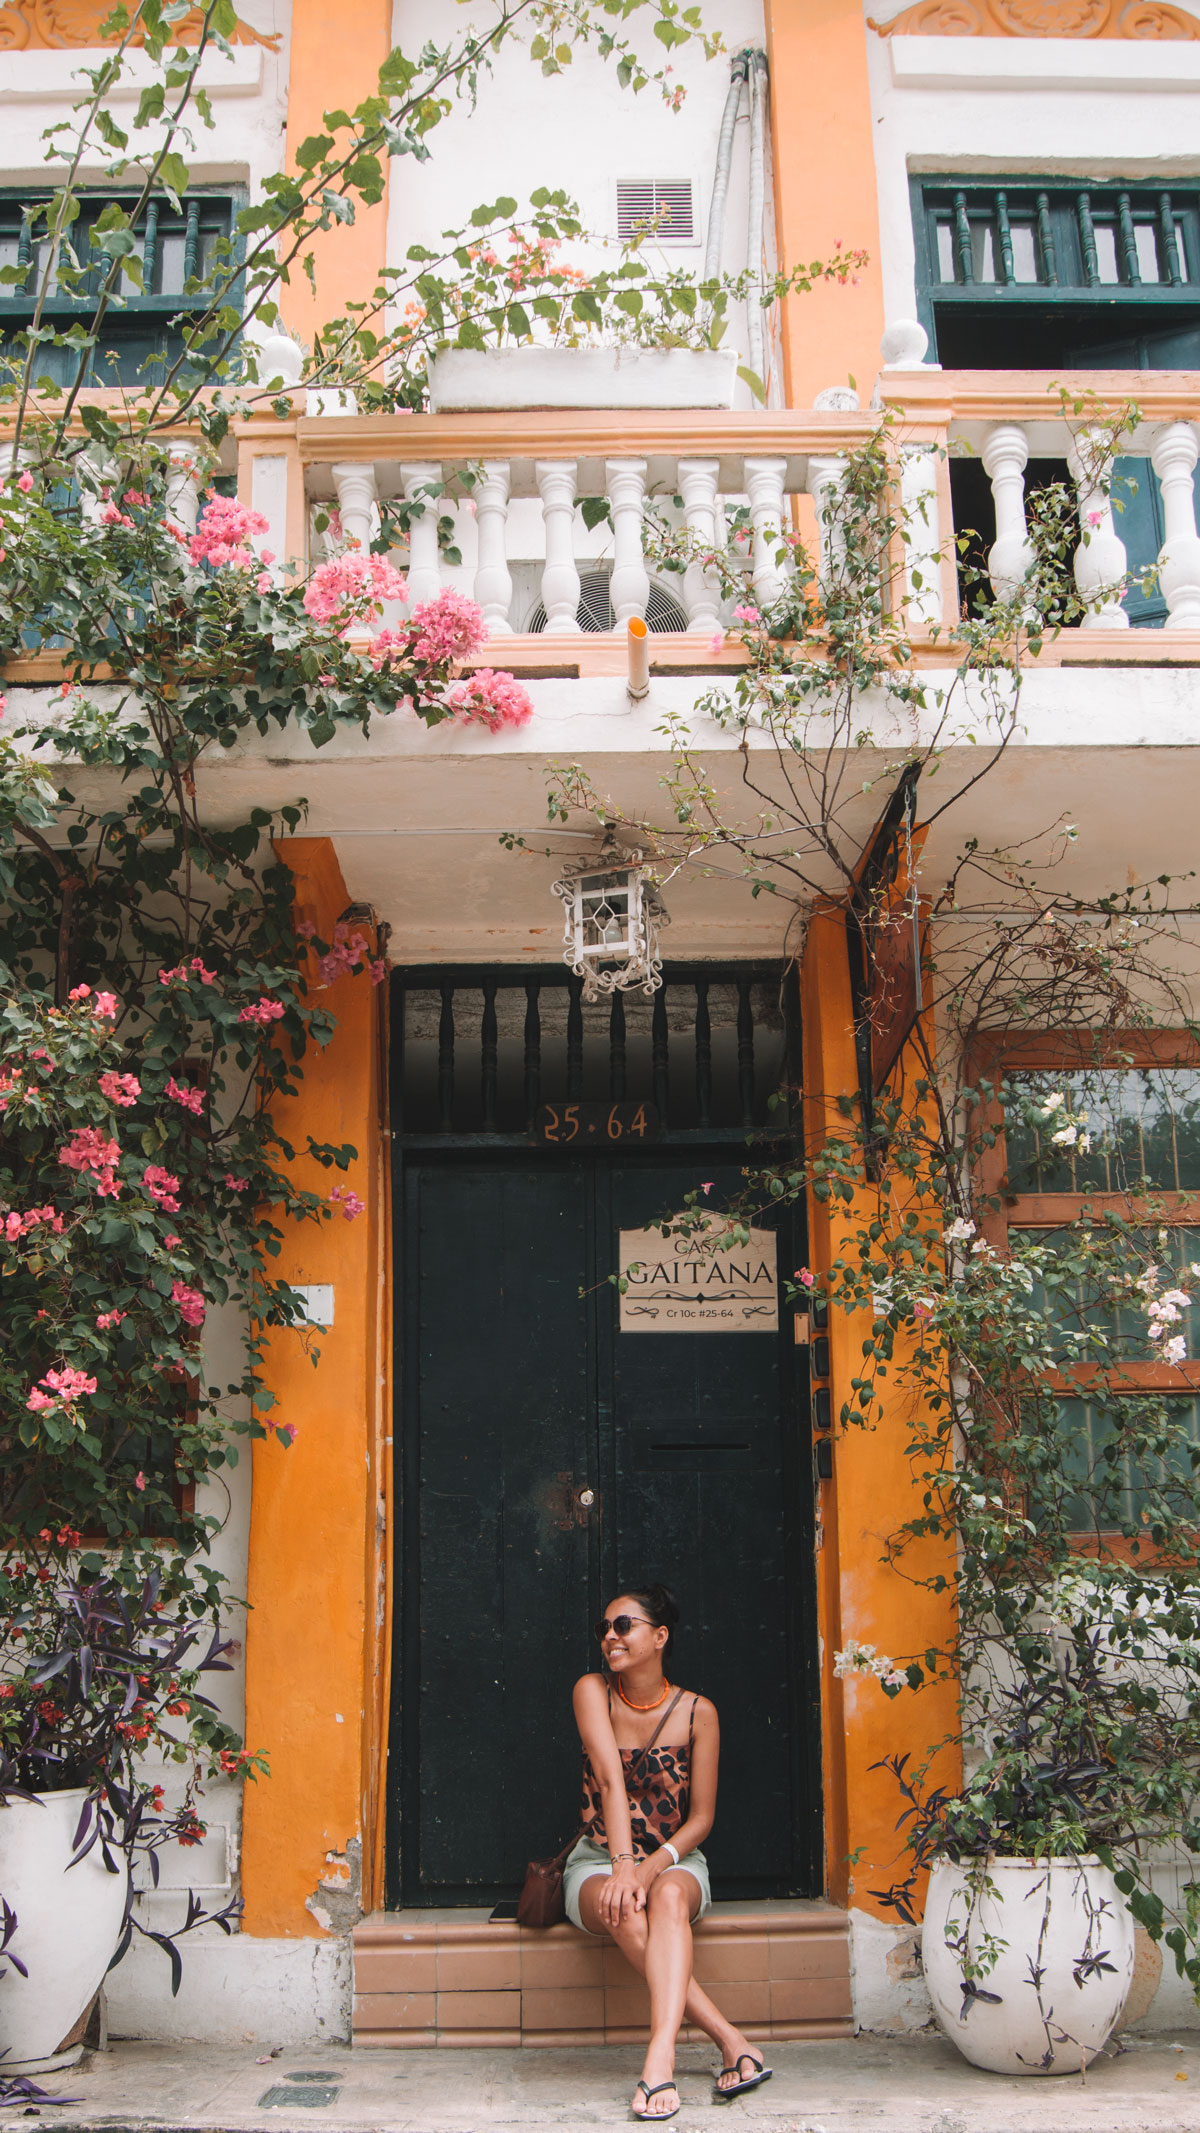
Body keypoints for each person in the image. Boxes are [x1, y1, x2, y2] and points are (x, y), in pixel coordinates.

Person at [564, 1583, 773, 2122]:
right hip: (599, 1858)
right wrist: (624, 1868)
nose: (610, 1637)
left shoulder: (698, 1711)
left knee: (670, 1901)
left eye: (623, 1626)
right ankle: (729, 2038)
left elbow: (701, 1818)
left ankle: (660, 2059)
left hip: (676, 1858)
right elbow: (611, 1783)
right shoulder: (593, 1691)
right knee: (627, 1908)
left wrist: (655, 1865)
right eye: (603, 1628)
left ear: (660, 1636)